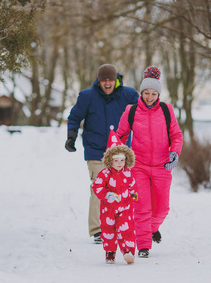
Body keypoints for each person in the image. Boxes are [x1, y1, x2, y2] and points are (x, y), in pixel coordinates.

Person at [65, 64, 138, 243]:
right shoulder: (87, 96)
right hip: (95, 150)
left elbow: (142, 114)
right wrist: (71, 137)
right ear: (99, 80)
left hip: (120, 153)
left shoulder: (128, 95)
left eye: (110, 80)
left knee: (121, 189)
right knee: (100, 187)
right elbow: (74, 117)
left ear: (116, 80)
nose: (107, 83)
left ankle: (120, 225)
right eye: (103, 80)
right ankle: (98, 230)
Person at [116, 66, 183, 258]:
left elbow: (176, 135)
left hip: (163, 166)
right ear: (141, 92)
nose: (150, 97)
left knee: (162, 209)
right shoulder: (131, 111)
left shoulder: (166, 110)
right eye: (146, 93)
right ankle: (143, 246)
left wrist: (174, 153)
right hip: (139, 166)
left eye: (154, 93)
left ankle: (152, 229)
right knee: (142, 207)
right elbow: (120, 136)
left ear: (158, 93)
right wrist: (120, 157)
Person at [92, 127, 137, 264]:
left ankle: (127, 251)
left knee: (126, 229)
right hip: (108, 209)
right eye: (116, 161)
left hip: (125, 207)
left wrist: (134, 195)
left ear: (126, 160)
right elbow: (97, 186)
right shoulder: (105, 174)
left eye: (122, 160)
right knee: (108, 231)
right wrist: (106, 195)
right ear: (110, 161)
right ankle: (110, 252)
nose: (119, 164)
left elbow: (133, 186)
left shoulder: (128, 173)